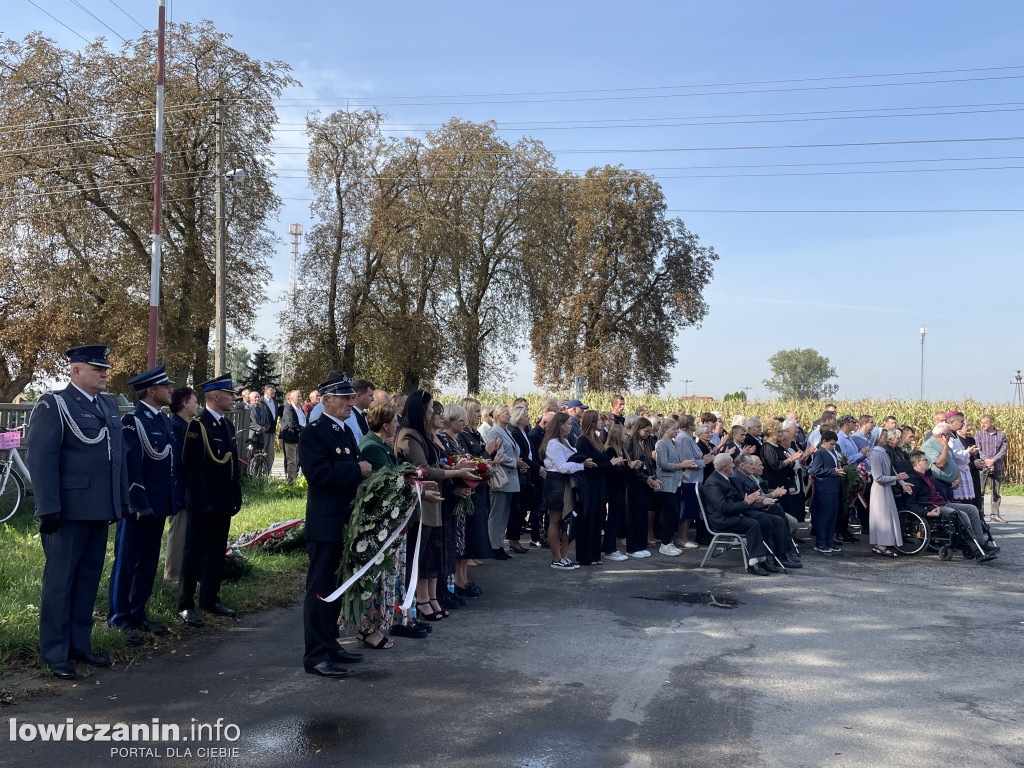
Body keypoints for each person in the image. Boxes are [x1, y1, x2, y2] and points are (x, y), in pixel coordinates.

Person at [27, 345, 128, 679]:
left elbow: (118, 459)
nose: (104, 373)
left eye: (105, 369)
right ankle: (55, 652)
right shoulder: (54, 404)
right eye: (96, 368)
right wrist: (48, 508)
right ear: (75, 372)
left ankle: (80, 645)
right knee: (60, 582)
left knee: (87, 580)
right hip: (68, 512)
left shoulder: (109, 405)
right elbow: (41, 460)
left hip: (99, 509)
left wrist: (121, 500)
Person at [298, 373, 371, 677]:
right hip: (326, 523)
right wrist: (356, 469)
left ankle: (329, 643)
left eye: (352, 398)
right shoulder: (314, 432)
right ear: (326, 400)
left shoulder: (343, 432)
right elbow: (317, 474)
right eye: (344, 399)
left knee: (336, 588)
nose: (350, 404)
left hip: (344, 522)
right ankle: (315, 655)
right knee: (320, 590)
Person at [108, 364, 178, 646]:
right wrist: (138, 502)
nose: (170, 390)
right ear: (152, 391)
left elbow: (169, 465)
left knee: (148, 562)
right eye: (166, 387)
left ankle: (138, 613)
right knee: (126, 563)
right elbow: (131, 468)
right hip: (138, 507)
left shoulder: (162, 420)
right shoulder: (133, 421)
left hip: (158, 504)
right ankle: (119, 618)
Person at [396, 391, 478, 621]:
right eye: (431, 408)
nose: (433, 412)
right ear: (420, 410)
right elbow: (423, 469)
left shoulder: (420, 435)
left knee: (429, 553)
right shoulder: (409, 436)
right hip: (420, 504)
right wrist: (457, 471)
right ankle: (416, 603)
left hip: (432, 501)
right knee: (419, 557)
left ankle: (428, 598)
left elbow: (434, 463)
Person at [177, 373, 244, 629]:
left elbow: (232, 466)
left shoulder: (226, 426)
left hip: (222, 502)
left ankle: (210, 598)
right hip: (204, 503)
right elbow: (192, 470)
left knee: (216, 552)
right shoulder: (198, 426)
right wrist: (200, 501)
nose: (233, 399)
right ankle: (185, 605)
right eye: (230, 394)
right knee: (194, 554)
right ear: (215, 396)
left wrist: (235, 495)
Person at [904, 450, 998, 561]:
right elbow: (910, 503)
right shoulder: (912, 479)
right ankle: (976, 549)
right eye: (925, 460)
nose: (928, 462)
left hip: (944, 503)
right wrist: (926, 513)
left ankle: (981, 543)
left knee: (972, 509)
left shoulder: (929, 476)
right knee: (961, 515)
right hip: (932, 507)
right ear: (919, 463)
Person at [702, 454, 773, 576]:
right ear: (724, 466)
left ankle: (763, 558)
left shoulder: (727, 478)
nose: (734, 465)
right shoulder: (713, 483)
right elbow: (723, 508)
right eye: (731, 463)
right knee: (752, 523)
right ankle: (753, 562)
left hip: (732, 514)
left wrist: (752, 500)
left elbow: (736, 499)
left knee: (764, 520)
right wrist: (746, 503)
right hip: (721, 519)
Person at [438, 404, 482, 599]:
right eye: (461, 420)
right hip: (452, 495)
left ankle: (462, 578)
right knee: (454, 540)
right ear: (450, 420)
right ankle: (454, 581)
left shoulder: (457, 440)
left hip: (463, 494)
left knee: (462, 539)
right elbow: (448, 465)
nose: (464, 423)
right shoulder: (443, 440)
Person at [540, 412, 591, 569]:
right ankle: (556, 558)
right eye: (569, 423)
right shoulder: (553, 444)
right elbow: (562, 467)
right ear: (561, 425)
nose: (571, 426)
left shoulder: (566, 441)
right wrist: (582, 465)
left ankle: (564, 556)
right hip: (557, 483)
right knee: (556, 520)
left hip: (569, 483)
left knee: (572, 519)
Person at [730, 455, 800, 569]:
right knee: (770, 519)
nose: (753, 468)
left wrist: (762, 500)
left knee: (779, 519)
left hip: (753, 509)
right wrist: (762, 502)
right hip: (747, 513)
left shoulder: (745, 476)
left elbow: (755, 496)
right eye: (751, 465)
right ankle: (767, 558)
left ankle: (781, 556)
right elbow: (744, 500)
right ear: (742, 466)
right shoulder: (736, 478)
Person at [459, 398, 502, 559]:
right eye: (476, 411)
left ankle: (471, 556)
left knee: (478, 524)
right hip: (471, 484)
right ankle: (467, 559)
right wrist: (487, 452)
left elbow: (481, 456)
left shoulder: (475, 433)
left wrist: (492, 453)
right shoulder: (463, 435)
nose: (480, 415)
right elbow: (468, 459)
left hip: (481, 484)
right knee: (472, 526)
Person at [575, 410, 619, 565]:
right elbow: (589, 465)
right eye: (600, 419)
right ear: (592, 421)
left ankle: (595, 555)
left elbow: (602, 460)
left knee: (598, 518)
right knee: (589, 519)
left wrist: (613, 461)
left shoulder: (597, 439)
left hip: (600, 484)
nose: (602, 422)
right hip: (589, 484)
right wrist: (610, 464)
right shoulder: (583, 441)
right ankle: (586, 556)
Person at [164, 387, 199, 583]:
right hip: (180, 487)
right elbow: (179, 461)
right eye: (194, 402)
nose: (197, 405)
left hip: (189, 487)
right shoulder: (175, 427)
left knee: (187, 531)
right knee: (178, 531)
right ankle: (172, 575)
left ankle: (184, 573)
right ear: (185, 403)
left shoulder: (188, 426)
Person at [486, 405, 522, 559]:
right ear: (498, 416)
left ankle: (499, 544)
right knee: (497, 513)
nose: (509, 415)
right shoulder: (494, 432)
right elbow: (498, 455)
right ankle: (493, 546)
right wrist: (515, 462)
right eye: (506, 413)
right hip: (501, 476)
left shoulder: (506, 431)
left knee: (504, 513)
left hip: (510, 477)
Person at [867, 430, 909, 557]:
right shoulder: (875, 454)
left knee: (885, 516)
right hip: (880, 489)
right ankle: (881, 545)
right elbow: (878, 477)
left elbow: (891, 470)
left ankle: (881, 544)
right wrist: (896, 479)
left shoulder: (882, 452)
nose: (886, 438)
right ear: (877, 438)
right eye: (884, 436)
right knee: (882, 517)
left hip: (885, 488)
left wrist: (902, 482)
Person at [624, 417, 660, 558]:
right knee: (635, 515)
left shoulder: (646, 443)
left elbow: (649, 463)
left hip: (645, 480)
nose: (648, 434)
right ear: (638, 429)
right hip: (635, 482)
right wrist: (646, 478)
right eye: (646, 431)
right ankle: (632, 547)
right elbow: (630, 466)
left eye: (650, 432)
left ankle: (641, 544)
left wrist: (652, 477)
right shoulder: (630, 443)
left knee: (643, 514)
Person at [507, 406, 537, 555]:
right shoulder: (514, 432)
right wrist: (536, 468)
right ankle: (513, 540)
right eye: (526, 415)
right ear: (518, 417)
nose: (529, 417)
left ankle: (516, 539)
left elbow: (530, 452)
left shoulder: (524, 432)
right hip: (519, 474)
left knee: (522, 508)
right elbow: (522, 455)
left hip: (526, 473)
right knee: (517, 509)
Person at [808, 430, 843, 554]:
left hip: (833, 488)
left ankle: (829, 541)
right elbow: (815, 470)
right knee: (824, 516)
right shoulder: (821, 453)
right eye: (831, 444)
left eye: (834, 444)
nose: (833, 446)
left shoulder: (831, 452)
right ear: (824, 442)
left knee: (832, 516)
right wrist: (833, 472)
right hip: (824, 489)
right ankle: (820, 543)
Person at [654, 419, 686, 557]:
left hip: (675, 483)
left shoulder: (674, 443)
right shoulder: (661, 443)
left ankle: (668, 541)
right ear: (666, 429)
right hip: (666, 484)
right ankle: (665, 543)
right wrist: (682, 465)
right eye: (674, 429)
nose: (676, 431)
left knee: (672, 513)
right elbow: (663, 464)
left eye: (677, 429)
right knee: (670, 513)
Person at [674, 415, 706, 548]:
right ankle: (682, 537)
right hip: (688, 479)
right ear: (689, 424)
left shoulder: (688, 438)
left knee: (691, 509)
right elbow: (687, 461)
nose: (696, 425)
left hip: (695, 479)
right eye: (694, 423)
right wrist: (704, 461)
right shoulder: (683, 438)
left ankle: (685, 536)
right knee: (686, 509)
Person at [975, 414, 1008, 523]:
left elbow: (1003, 450)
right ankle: (980, 514)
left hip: (996, 466)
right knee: (980, 491)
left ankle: (995, 514)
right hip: (982, 467)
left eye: (985, 422)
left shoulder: (1001, 435)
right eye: (981, 422)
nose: (982, 424)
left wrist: (993, 460)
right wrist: (986, 461)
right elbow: (978, 450)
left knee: (996, 492)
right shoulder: (979, 434)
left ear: (992, 423)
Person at [922, 423, 958, 502]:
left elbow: (954, 462)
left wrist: (958, 478)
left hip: (950, 485)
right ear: (943, 435)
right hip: (940, 484)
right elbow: (940, 464)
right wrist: (945, 447)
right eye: (949, 435)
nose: (950, 437)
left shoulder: (945, 445)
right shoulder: (929, 445)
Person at [279, 389, 307, 484]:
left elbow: (303, 420)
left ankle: (295, 480)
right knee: (292, 461)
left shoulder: (300, 409)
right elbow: (291, 423)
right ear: (291, 398)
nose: (300, 398)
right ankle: (290, 482)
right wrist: (302, 429)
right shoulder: (288, 408)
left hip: (299, 438)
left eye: (300, 396)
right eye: (298, 396)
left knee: (298, 461)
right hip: (290, 438)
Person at [344, 379, 374, 444]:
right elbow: (356, 441)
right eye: (370, 395)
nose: (373, 399)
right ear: (359, 395)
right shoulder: (350, 415)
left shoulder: (363, 415)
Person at [258, 384, 279, 468]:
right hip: (263, 431)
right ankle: (259, 473)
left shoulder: (275, 402)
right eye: (271, 389)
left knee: (270, 453)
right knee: (262, 452)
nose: (274, 391)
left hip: (272, 431)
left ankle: (268, 472)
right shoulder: (260, 401)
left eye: (274, 390)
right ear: (266, 391)